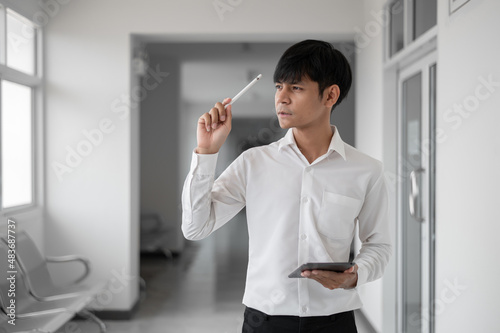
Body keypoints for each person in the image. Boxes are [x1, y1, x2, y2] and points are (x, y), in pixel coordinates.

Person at [181, 39, 392, 333]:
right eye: (278, 86)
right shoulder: (253, 163)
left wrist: (355, 275)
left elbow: (379, 245)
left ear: (330, 95)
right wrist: (206, 152)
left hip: (334, 322)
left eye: (296, 88)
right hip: (264, 322)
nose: (281, 98)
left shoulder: (366, 170)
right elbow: (195, 228)